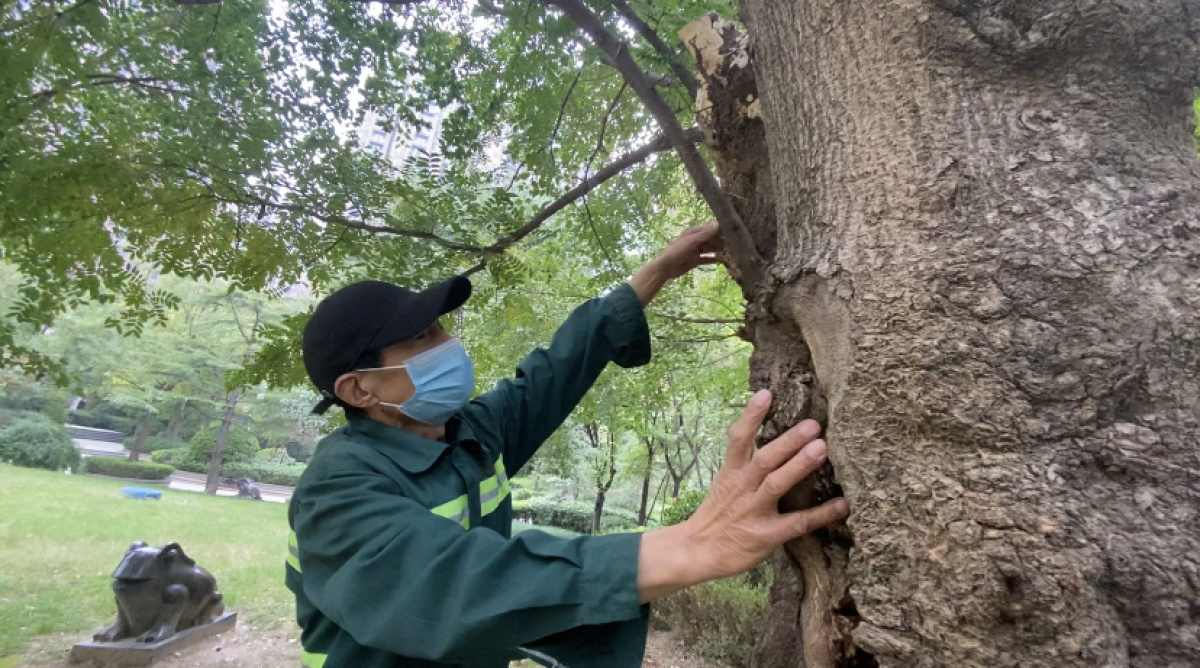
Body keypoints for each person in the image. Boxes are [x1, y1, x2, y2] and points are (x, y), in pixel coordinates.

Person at [287, 224, 849, 668]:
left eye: (440, 327)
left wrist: (655, 273)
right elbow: (444, 583)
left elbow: (554, 370)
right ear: (358, 389)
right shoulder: (337, 486)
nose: (448, 344)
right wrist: (689, 546)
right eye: (420, 339)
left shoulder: (470, 434)